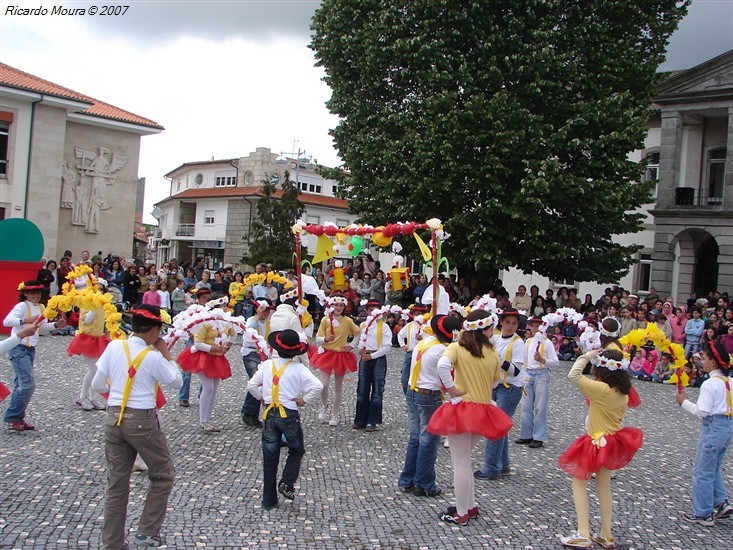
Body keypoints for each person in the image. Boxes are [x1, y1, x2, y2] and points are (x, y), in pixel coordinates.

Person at [91, 305, 182, 549]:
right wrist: (167, 354)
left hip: (114, 418)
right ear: (154, 330)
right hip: (142, 419)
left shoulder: (114, 346)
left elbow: (98, 383)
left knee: (117, 483)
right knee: (163, 475)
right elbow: (177, 382)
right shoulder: (152, 356)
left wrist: (117, 397)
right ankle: (147, 532)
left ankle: (112, 544)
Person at [426, 309, 513, 525]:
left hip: (463, 407)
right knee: (465, 460)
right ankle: (470, 506)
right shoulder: (492, 353)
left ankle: (461, 513)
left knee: (461, 462)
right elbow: (494, 382)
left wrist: (452, 389)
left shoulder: (457, 347)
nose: (493, 331)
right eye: (491, 328)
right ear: (482, 330)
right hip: (483, 410)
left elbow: (442, 365)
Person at [558, 349, 643, 549]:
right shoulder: (623, 392)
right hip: (612, 442)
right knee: (604, 488)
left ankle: (583, 533)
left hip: (594, 442)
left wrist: (586, 356)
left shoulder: (602, 389)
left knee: (579, 485)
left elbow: (573, 375)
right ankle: (606, 534)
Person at [247, 329, 323, 510]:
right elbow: (318, 386)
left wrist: (262, 398)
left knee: (269, 457)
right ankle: (287, 482)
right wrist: (304, 400)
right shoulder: (298, 368)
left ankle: (268, 500)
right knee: (296, 449)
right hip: (289, 414)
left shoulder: (266, 365)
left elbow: (251, 385)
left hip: (270, 414)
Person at [399, 314, 461, 497]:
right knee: (429, 440)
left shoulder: (423, 343)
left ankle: (407, 479)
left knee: (415, 438)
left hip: (413, 391)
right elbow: (444, 369)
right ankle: (424, 483)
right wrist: (452, 390)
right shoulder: (442, 350)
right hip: (428, 395)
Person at [675, 341, 733, 526]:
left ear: (714, 362)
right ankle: (721, 502)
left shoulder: (709, 384)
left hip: (713, 427)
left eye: (705, 358)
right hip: (727, 426)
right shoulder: (730, 381)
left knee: (702, 471)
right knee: (713, 466)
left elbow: (702, 412)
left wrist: (683, 402)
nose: (702, 362)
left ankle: (703, 513)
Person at [3, 280, 66, 431]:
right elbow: (7, 321)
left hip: (31, 349)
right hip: (18, 348)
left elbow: (42, 328)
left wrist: (56, 325)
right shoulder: (21, 306)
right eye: (32, 293)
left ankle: (18, 417)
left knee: (21, 384)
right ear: (25, 294)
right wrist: (24, 320)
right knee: (28, 384)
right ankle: (13, 415)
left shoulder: (42, 307)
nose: (35, 296)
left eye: (37, 293)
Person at [475, 308, 526, 480]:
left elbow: (516, 371)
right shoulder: (495, 339)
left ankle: (491, 468)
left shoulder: (518, 343)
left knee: (495, 427)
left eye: (514, 323)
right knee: (500, 426)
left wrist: (498, 359)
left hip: (510, 389)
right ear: (501, 323)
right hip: (496, 386)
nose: (510, 327)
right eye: (507, 322)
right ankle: (503, 465)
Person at [176, 294, 233, 432]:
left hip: (217, 357)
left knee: (213, 389)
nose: (225, 308)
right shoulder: (205, 322)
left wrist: (228, 345)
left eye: (226, 306)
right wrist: (214, 348)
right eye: (222, 306)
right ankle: (203, 420)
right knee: (208, 388)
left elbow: (234, 332)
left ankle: (207, 419)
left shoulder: (225, 322)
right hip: (203, 357)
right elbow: (198, 342)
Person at [311, 295, 360, 426]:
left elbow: (357, 333)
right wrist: (325, 339)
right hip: (326, 354)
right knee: (324, 384)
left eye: (341, 305)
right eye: (336, 305)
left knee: (338, 386)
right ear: (331, 306)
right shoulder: (326, 320)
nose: (338, 308)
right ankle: (324, 405)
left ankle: (335, 413)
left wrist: (351, 346)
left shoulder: (348, 321)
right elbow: (318, 337)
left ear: (344, 307)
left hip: (340, 355)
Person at [67, 277, 112, 411]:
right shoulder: (87, 303)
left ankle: (92, 397)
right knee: (94, 369)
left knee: (97, 369)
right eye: (96, 288)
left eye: (101, 289)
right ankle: (82, 397)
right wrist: (94, 308)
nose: (98, 291)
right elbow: (86, 320)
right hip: (87, 339)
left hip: (98, 338)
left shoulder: (103, 304)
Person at [516, 317, 559, 449]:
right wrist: (522, 375)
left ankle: (539, 436)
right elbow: (524, 360)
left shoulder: (547, 343)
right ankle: (526, 434)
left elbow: (556, 362)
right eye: (533, 326)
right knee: (526, 406)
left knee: (540, 407)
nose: (535, 329)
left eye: (537, 326)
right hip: (529, 374)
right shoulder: (528, 341)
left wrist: (542, 360)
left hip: (541, 374)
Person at [353, 300, 392, 431]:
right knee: (362, 389)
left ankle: (372, 421)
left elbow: (387, 347)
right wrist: (360, 349)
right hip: (365, 357)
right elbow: (359, 339)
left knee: (377, 390)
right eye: (370, 310)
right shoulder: (364, 325)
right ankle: (360, 419)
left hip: (378, 358)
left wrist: (372, 356)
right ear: (367, 311)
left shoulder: (384, 327)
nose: (373, 313)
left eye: (376, 309)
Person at [240, 298, 273, 427]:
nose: (265, 312)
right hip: (251, 353)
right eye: (263, 309)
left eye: (268, 310)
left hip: (263, 354)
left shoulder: (269, 323)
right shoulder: (251, 321)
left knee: (260, 381)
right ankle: (248, 412)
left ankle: (252, 413)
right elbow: (247, 334)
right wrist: (257, 318)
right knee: (256, 380)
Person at [177, 288, 212, 408]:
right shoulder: (192, 311)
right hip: (192, 341)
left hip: (205, 342)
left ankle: (203, 394)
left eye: (208, 298)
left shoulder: (211, 311)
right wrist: (192, 333)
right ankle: (183, 397)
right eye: (204, 298)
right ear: (198, 299)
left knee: (206, 369)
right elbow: (185, 325)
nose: (206, 301)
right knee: (187, 371)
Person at [397, 304, 429, 393]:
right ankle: (407, 395)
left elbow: (431, 339)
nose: (416, 316)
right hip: (410, 354)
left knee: (418, 378)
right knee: (404, 378)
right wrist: (403, 345)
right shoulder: (409, 325)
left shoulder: (426, 327)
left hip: (421, 355)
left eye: (419, 314)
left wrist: (422, 338)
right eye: (414, 314)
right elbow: (400, 335)